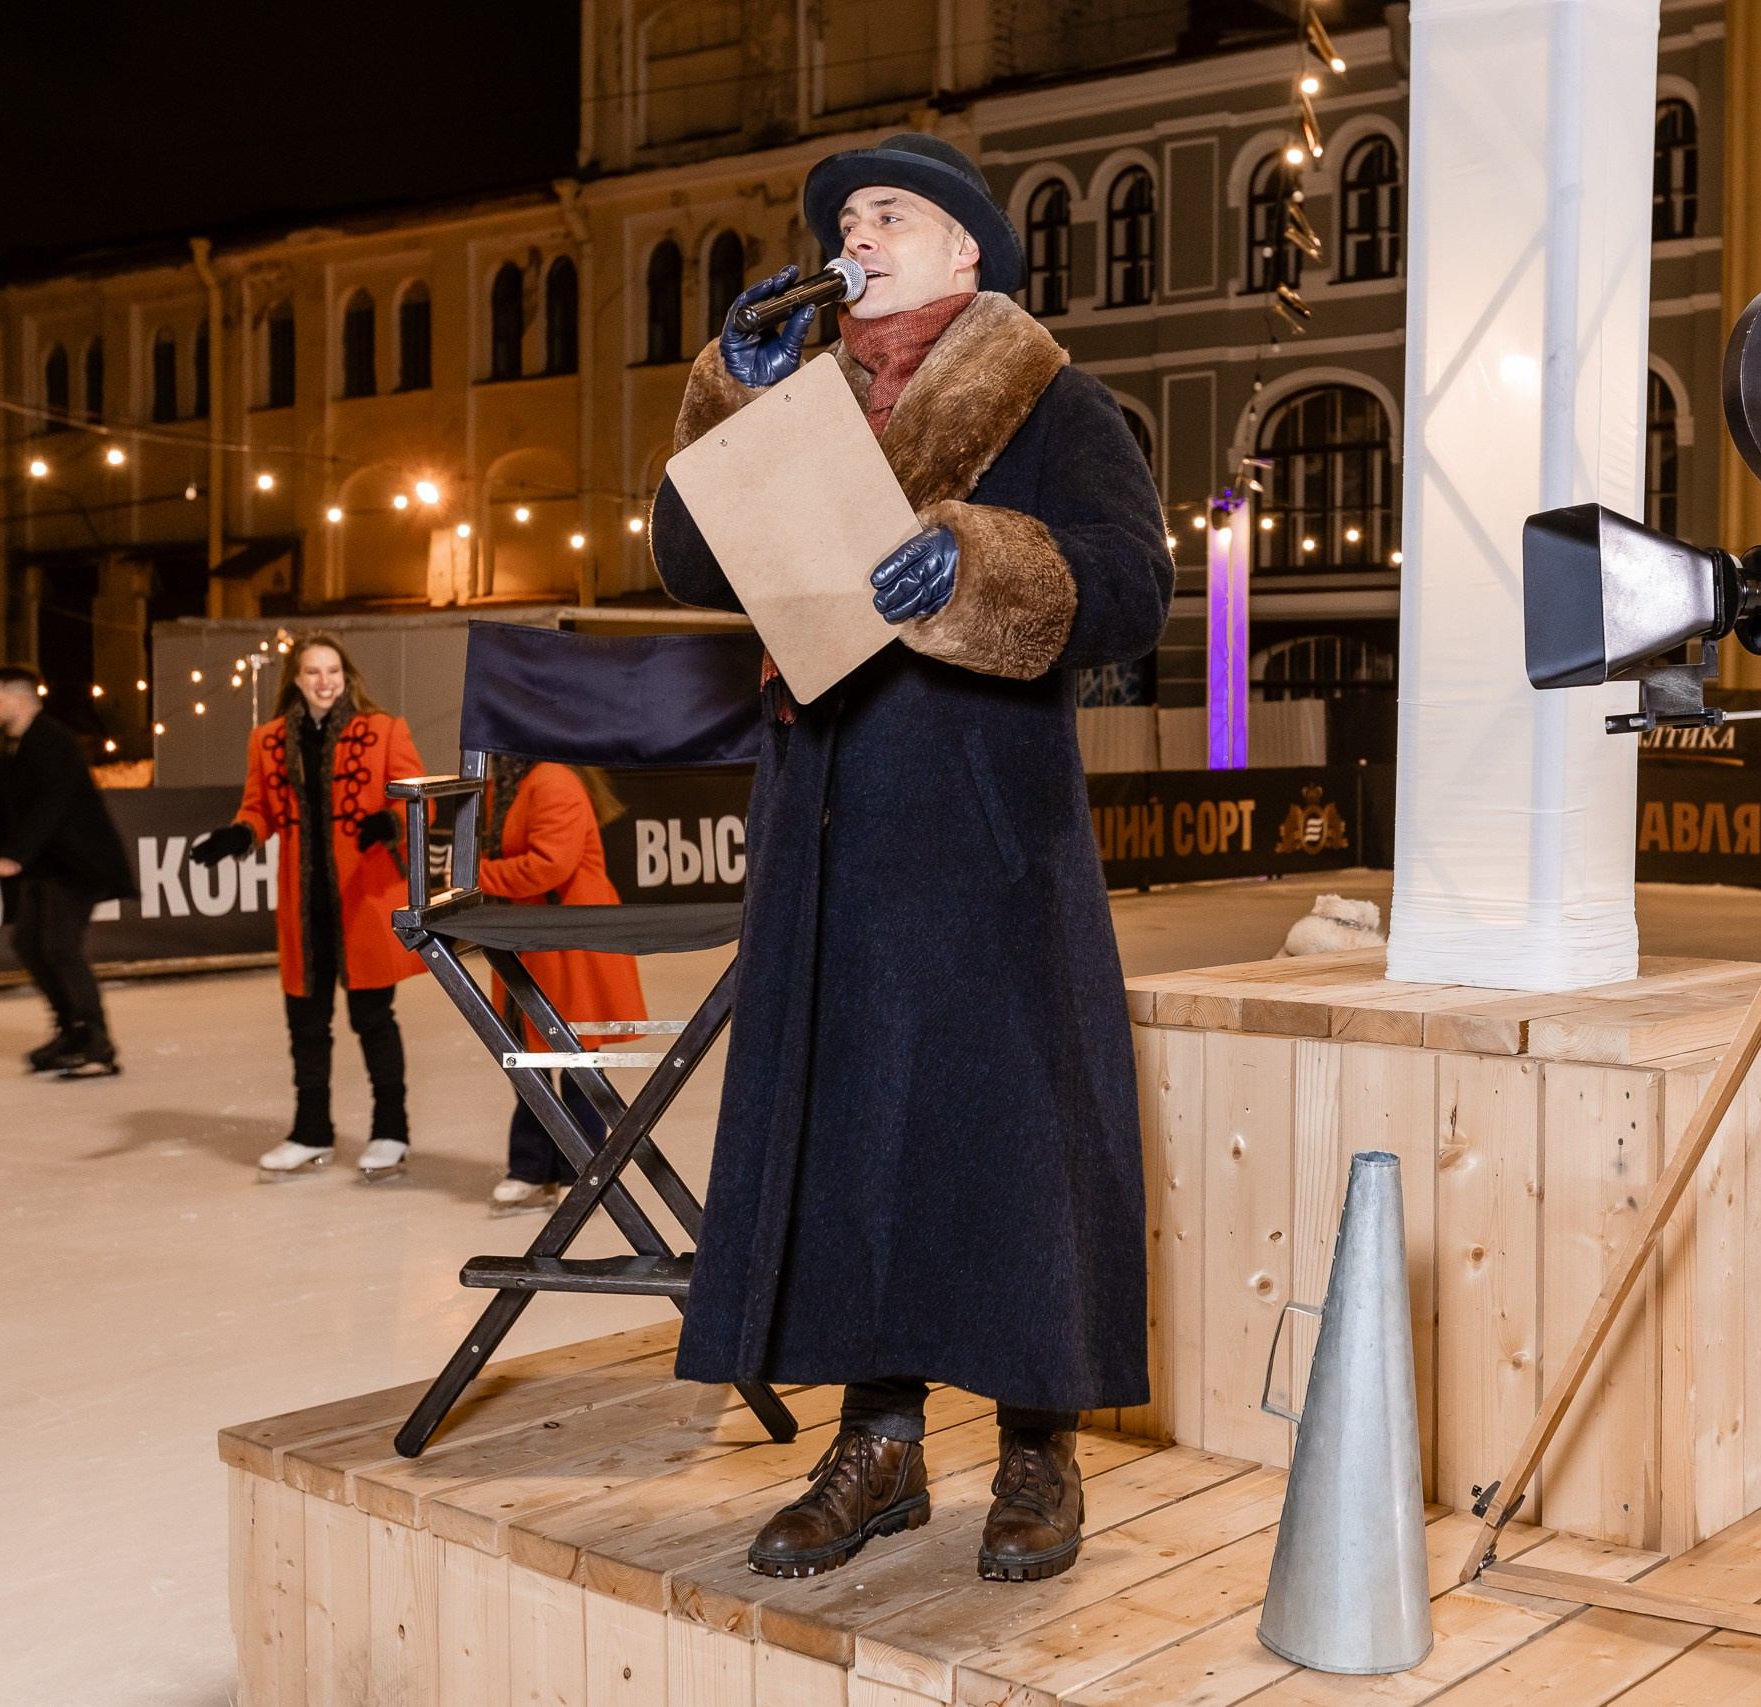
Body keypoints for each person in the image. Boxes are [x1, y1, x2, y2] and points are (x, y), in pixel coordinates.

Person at [646, 133, 1173, 1585]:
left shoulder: (1055, 401)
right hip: (826, 829)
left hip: (988, 833)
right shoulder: (802, 399)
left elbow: (1134, 586)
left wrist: (981, 558)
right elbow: (691, 565)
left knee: (1011, 1140)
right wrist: (729, 396)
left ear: (966, 254)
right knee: (851, 1134)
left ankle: (1037, 1447)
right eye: (844, 217)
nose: (857, 231)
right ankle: (877, 1444)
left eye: (891, 212)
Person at [188, 635, 426, 1180]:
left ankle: (392, 1131)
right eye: (313, 672)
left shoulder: (384, 729)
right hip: (304, 906)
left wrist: (389, 822)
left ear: (347, 676)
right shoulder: (268, 740)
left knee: (373, 1019)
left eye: (333, 671)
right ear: (296, 680)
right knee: (306, 1024)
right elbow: (259, 808)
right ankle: (310, 1130)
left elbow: (415, 798)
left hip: (362, 900)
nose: (325, 681)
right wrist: (240, 835)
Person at [477, 756, 647, 1216]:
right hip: (534, 934)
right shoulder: (512, 782)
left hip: (569, 940)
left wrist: (474, 879)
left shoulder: (552, 779)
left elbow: (550, 865)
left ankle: (582, 1172)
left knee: (576, 1061)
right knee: (528, 1060)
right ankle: (535, 1169)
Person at [0, 664, 138, 1077]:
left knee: (60, 947)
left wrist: (18, 852)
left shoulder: (53, 741)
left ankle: (95, 1039)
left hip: (77, 864)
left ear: (21, 699)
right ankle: (70, 1029)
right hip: (45, 866)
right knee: (29, 944)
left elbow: (56, 801)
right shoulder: (13, 746)